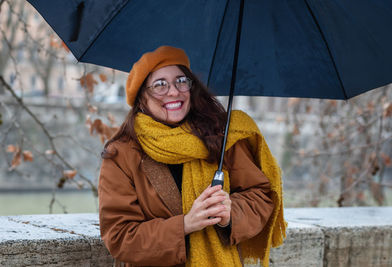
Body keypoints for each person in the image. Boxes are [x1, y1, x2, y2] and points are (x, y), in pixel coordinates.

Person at [98, 46, 286, 267]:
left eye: (181, 81)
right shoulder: (121, 155)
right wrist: (186, 224)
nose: (173, 91)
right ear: (141, 98)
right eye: (160, 85)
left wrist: (230, 214)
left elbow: (260, 196)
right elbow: (119, 237)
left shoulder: (222, 136)